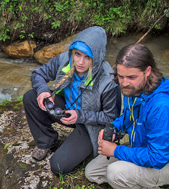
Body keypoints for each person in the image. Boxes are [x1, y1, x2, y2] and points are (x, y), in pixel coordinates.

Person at [85, 43, 169, 189]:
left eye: (131, 77)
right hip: (143, 148)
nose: (124, 83)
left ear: (147, 71)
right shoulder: (136, 90)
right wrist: (114, 128)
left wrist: (116, 150)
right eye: (120, 76)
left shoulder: (161, 106)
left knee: (115, 173)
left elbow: (158, 158)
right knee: (92, 172)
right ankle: (137, 180)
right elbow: (128, 116)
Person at [24, 26, 120, 175]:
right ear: (72, 52)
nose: (80, 62)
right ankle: (46, 141)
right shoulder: (63, 59)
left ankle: (82, 145)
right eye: (77, 54)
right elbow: (38, 74)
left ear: (96, 57)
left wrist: (80, 115)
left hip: (89, 125)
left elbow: (111, 117)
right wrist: (43, 91)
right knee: (31, 97)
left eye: (87, 57)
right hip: (66, 112)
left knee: (58, 167)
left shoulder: (108, 81)